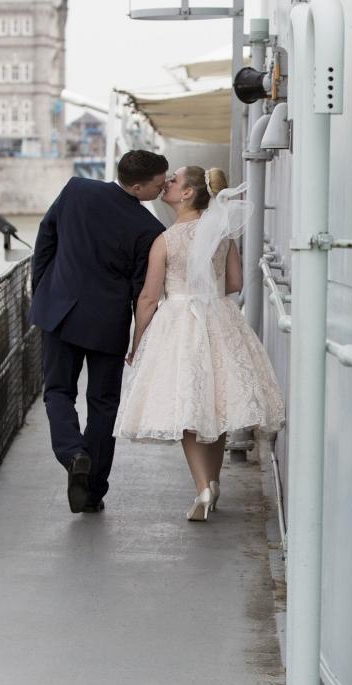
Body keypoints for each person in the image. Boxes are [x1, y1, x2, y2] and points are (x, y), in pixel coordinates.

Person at [116, 166, 285, 521]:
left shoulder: (165, 241)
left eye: (174, 181)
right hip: (218, 318)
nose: (167, 185)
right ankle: (215, 480)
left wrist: (137, 343)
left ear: (189, 193)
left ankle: (202, 487)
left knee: (188, 407)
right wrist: (206, 291)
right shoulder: (223, 234)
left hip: (178, 322)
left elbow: (148, 298)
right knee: (217, 404)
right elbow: (236, 281)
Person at [30, 150, 169, 514]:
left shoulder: (77, 190)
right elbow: (143, 291)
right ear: (138, 186)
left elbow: (46, 240)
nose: (162, 187)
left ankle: (73, 453)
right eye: (158, 184)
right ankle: (92, 493)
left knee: (57, 391)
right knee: (103, 405)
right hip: (108, 324)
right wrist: (141, 339)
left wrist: (43, 290)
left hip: (59, 310)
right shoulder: (151, 230)